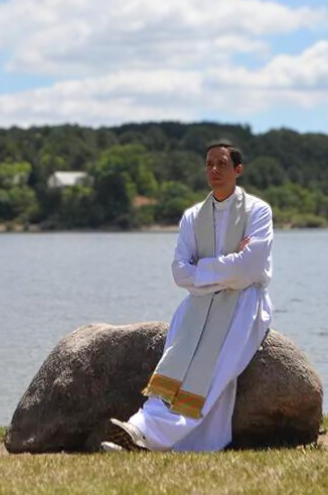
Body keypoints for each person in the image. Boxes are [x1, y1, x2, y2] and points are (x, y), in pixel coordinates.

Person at [102, 141, 273, 452]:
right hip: (198, 306)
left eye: (222, 164)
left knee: (214, 371)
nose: (214, 170)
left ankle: (149, 436)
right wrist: (226, 266)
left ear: (238, 169)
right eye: (209, 164)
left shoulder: (257, 212)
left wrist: (203, 270)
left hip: (245, 304)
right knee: (173, 365)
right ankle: (138, 428)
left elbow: (249, 269)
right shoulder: (193, 217)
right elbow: (180, 272)